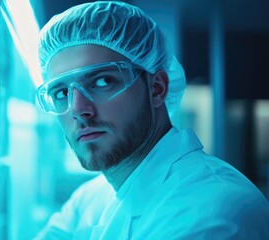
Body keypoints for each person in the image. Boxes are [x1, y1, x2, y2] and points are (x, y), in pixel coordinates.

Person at [34, 1, 269, 239]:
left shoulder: (212, 210)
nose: (77, 109)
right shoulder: (92, 198)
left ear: (156, 88)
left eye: (102, 81)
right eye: (61, 93)